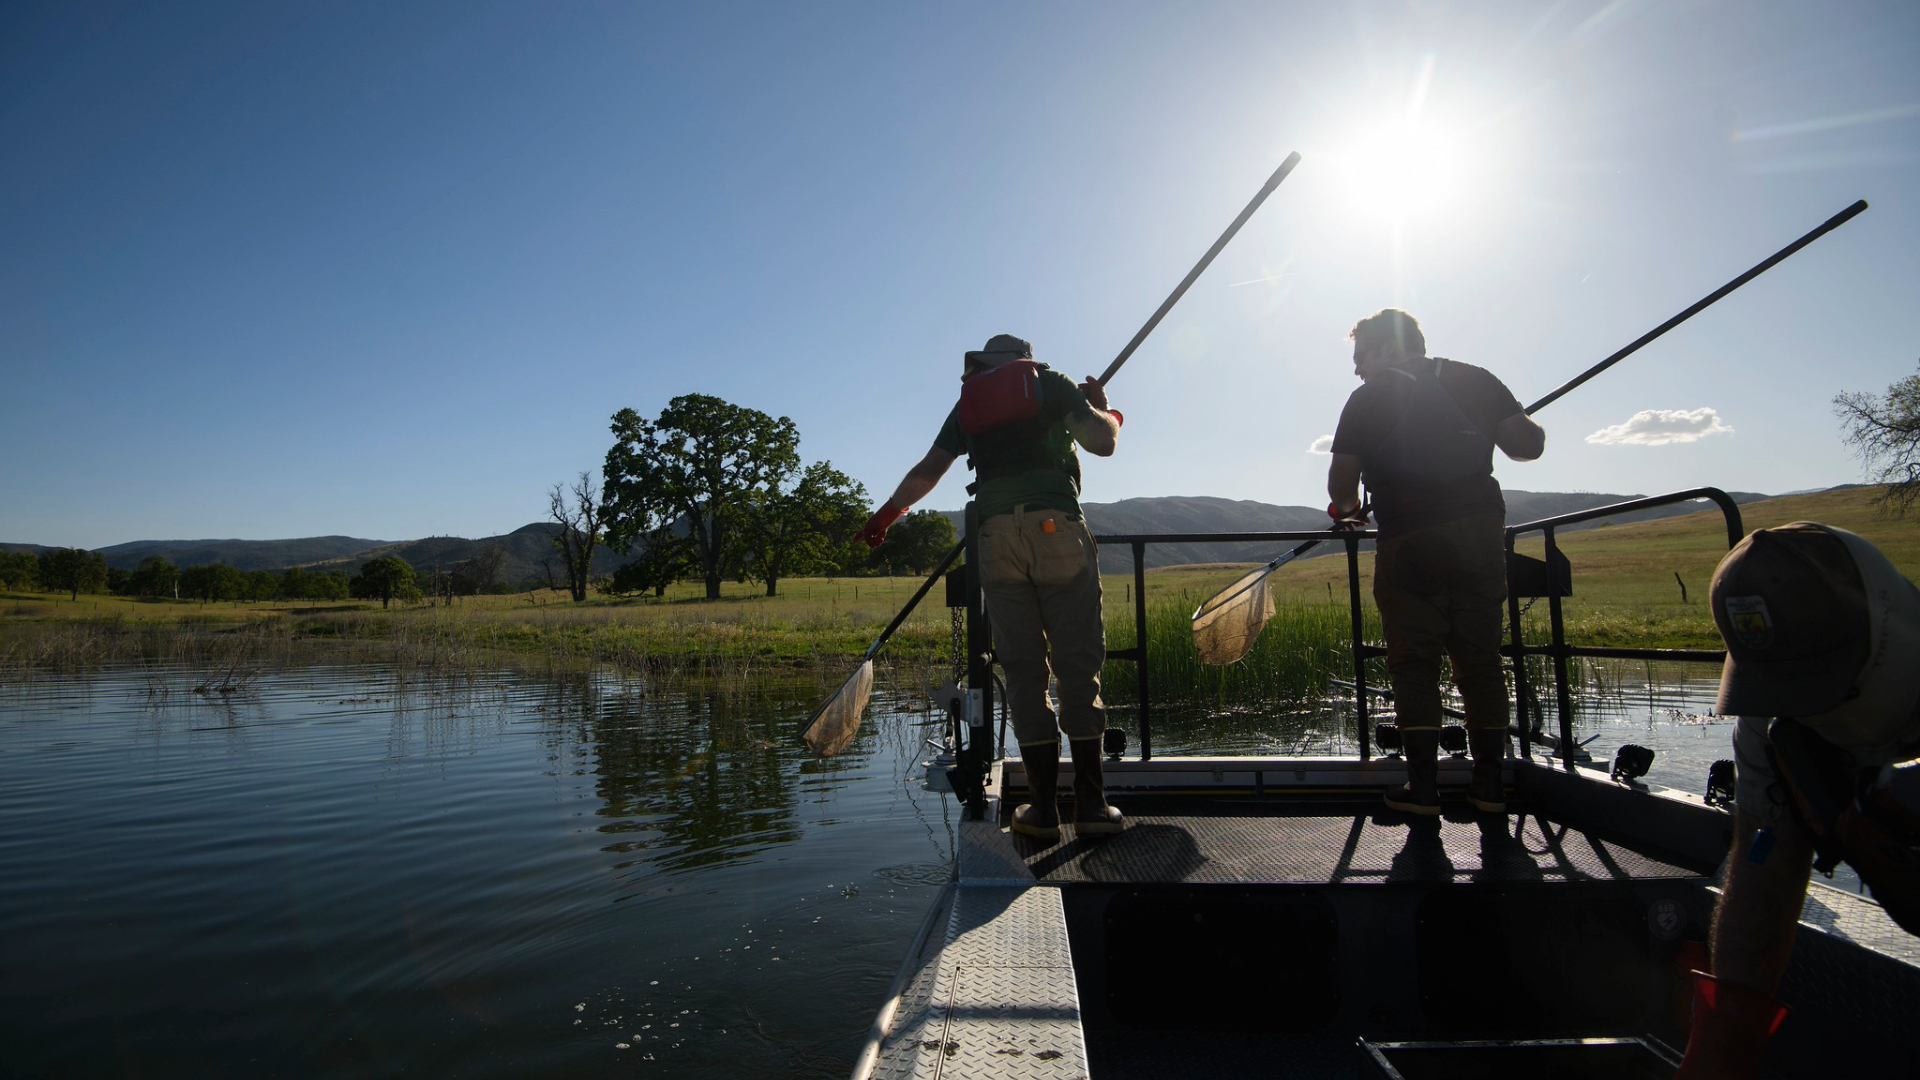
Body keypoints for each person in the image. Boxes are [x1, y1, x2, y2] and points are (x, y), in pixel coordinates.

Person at [855, 333, 1125, 842]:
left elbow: (928, 471)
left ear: (982, 365)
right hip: (1058, 529)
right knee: (1077, 666)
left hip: (995, 536)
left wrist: (886, 516)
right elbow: (1102, 443)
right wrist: (1106, 411)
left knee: (1023, 671)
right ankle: (1091, 804)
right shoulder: (1050, 383)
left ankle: (1042, 811)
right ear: (1024, 359)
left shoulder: (969, 406)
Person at [1676, 522, 1920, 1079]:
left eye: (1815, 682)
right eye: (1779, 685)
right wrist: (1719, 1055)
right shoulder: (1772, 718)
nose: (1800, 712)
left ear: (1885, 631)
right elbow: (1762, 876)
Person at [1325, 309, 1546, 815]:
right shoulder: (1478, 379)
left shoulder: (1366, 399)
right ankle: (1489, 786)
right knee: (1482, 660)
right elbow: (1526, 447)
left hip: (1409, 541)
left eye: (1361, 356)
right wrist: (1517, 418)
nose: (1358, 369)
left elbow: (1341, 487)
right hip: (1479, 536)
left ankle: (1422, 788)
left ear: (1387, 348)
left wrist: (1349, 513)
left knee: (1414, 661)